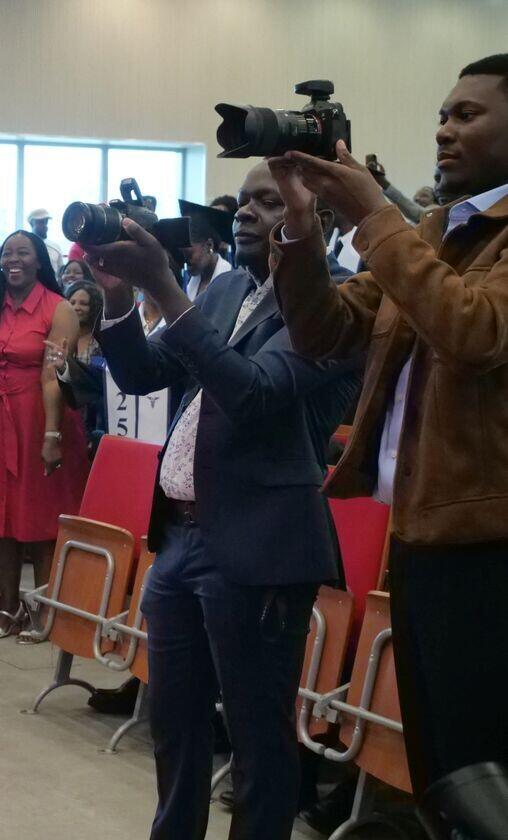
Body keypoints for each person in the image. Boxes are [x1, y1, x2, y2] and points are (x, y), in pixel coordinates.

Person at [84, 160, 361, 839]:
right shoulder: (228, 286)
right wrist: (120, 297)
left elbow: (254, 391)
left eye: (268, 202)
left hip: (260, 543)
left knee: (258, 741)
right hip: (182, 538)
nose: (243, 213)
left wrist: (165, 287)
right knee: (175, 727)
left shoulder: (337, 299)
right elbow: (146, 373)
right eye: (242, 201)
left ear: (317, 218)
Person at [267, 53, 508, 817]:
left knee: (485, 765)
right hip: (421, 532)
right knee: (446, 770)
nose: (444, 130)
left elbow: (475, 330)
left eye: (467, 115)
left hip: (489, 545)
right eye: (442, 114)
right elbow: (324, 331)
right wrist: (301, 222)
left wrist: (375, 217)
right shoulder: (437, 230)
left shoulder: (448, 236)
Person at [0, 230, 90, 643]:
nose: (13, 260)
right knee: (0, 519)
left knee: (40, 517)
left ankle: (44, 606)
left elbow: (52, 374)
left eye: (23, 253)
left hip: (40, 416)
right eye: (7, 253)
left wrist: (52, 434)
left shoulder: (59, 308)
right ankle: (9, 606)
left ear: (40, 260)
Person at [52, 280, 108, 448]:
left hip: (94, 418)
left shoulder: (102, 341)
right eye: (72, 302)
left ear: (94, 307)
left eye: (83, 303)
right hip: (63, 410)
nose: (77, 307)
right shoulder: (58, 337)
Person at [178, 200, 235, 300]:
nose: (186, 262)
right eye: (183, 256)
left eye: (189, 255)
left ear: (209, 245)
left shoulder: (232, 281)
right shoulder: (189, 283)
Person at [27, 208, 64, 273]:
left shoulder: (55, 247)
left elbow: (61, 272)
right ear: (32, 224)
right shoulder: (24, 246)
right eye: (41, 222)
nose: (45, 226)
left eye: (46, 222)